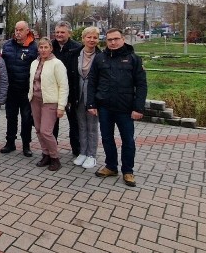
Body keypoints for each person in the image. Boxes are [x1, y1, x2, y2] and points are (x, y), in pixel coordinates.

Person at [87, 28, 148, 188]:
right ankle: (111, 166)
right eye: (109, 40)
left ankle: (128, 171)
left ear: (123, 39)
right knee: (107, 138)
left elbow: (141, 85)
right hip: (105, 107)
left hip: (125, 108)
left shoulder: (133, 59)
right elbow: (92, 82)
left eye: (116, 39)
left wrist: (138, 108)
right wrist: (91, 103)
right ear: (106, 41)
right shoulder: (100, 59)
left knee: (128, 140)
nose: (113, 43)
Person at [27, 38, 68, 171]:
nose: (43, 50)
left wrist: (61, 106)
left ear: (51, 48)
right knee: (38, 130)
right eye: (41, 47)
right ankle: (45, 154)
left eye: (46, 47)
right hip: (35, 100)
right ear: (38, 49)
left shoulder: (57, 63)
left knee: (46, 131)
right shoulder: (34, 63)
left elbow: (63, 86)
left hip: (50, 101)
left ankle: (55, 158)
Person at [0, 21, 37, 156]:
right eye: (16, 29)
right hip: (11, 90)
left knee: (26, 118)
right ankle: (10, 143)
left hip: (27, 91)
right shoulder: (7, 45)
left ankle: (26, 145)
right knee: (11, 117)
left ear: (27, 31)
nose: (18, 32)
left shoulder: (34, 47)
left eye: (21, 30)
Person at [52, 21, 83, 157]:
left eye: (62, 32)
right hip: (54, 91)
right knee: (53, 124)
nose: (59, 34)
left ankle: (77, 150)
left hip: (71, 91)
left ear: (69, 33)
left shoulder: (77, 48)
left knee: (74, 123)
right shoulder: (50, 46)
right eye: (57, 32)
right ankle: (52, 150)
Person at [74, 27, 101, 170]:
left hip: (93, 96)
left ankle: (92, 155)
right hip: (78, 95)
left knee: (92, 126)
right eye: (89, 37)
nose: (91, 40)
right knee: (81, 125)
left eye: (95, 37)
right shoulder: (76, 54)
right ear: (83, 38)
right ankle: (83, 152)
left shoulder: (101, 56)